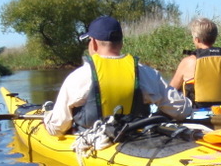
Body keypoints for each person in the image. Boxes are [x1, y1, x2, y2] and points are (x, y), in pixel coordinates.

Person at [44, 16, 192, 135]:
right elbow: (182, 111)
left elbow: (58, 127)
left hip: (93, 143)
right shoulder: (147, 73)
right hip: (137, 142)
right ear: (120, 43)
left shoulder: (78, 77)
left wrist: (47, 119)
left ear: (93, 43)